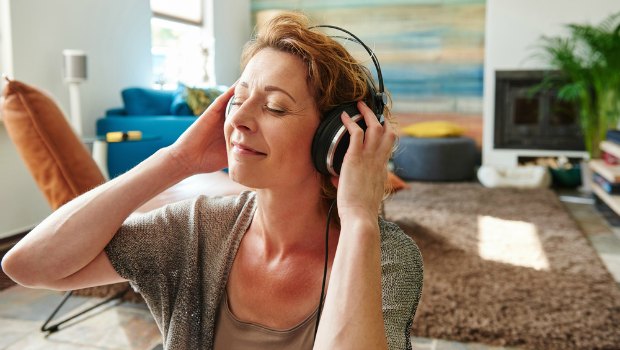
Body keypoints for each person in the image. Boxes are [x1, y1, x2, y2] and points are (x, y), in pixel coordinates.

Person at [1, 11, 423, 350]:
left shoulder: (386, 258)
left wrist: (359, 219)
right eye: (237, 100)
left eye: (274, 107)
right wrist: (175, 160)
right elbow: (26, 265)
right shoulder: (195, 230)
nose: (237, 118)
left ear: (335, 139)